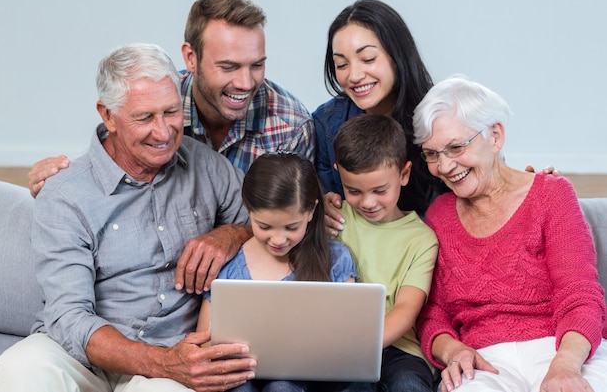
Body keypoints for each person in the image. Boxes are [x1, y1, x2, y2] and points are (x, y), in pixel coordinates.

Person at [0, 43, 258, 392]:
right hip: (83, 355)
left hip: (173, 356)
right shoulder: (65, 193)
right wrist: (159, 361)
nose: (163, 133)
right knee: (20, 367)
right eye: (145, 117)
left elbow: (268, 226)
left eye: (171, 112)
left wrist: (232, 234)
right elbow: (69, 317)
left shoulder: (207, 167)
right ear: (108, 115)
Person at [413, 75, 607, 392]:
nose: (445, 166)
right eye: (432, 154)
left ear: (495, 136)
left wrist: (565, 367)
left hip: (563, 349)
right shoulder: (439, 216)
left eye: (456, 147)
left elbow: (580, 296)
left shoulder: (552, 195)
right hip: (485, 362)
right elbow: (432, 314)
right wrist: (452, 350)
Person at [28, 0, 314, 195]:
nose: (245, 83)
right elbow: (113, 160)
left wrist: (234, 233)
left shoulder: (292, 126)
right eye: (228, 66)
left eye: (257, 65)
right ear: (191, 57)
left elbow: (294, 222)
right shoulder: (156, 98)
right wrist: (59, 180)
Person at [196, 152, 357, 392]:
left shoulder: (334, 259)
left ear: (312, 212)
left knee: (281, 387)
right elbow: (205, 340)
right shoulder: (229, 267)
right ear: (248, 210)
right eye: (264, 226)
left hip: (313, 380)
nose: (278, 239)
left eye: (292, 227)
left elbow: (352, 335)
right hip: (240, 376)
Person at [331, 114, 440, 392]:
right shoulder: (334, 219)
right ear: (338, 174)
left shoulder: (421, 239)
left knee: (409, 385)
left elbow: (405, 310)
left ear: (404, 175)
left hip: (399, 349)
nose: (367, 202)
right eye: (353, 190)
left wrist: (362, 344)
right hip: (338, 345)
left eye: (380, 190)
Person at [313, 0, 447, 221]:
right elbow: (323, 198)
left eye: (368, 59)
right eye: (342, 65)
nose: (354, 76)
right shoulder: (327, 123)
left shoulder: (441, 117)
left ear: (397, 56)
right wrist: (322, 209)